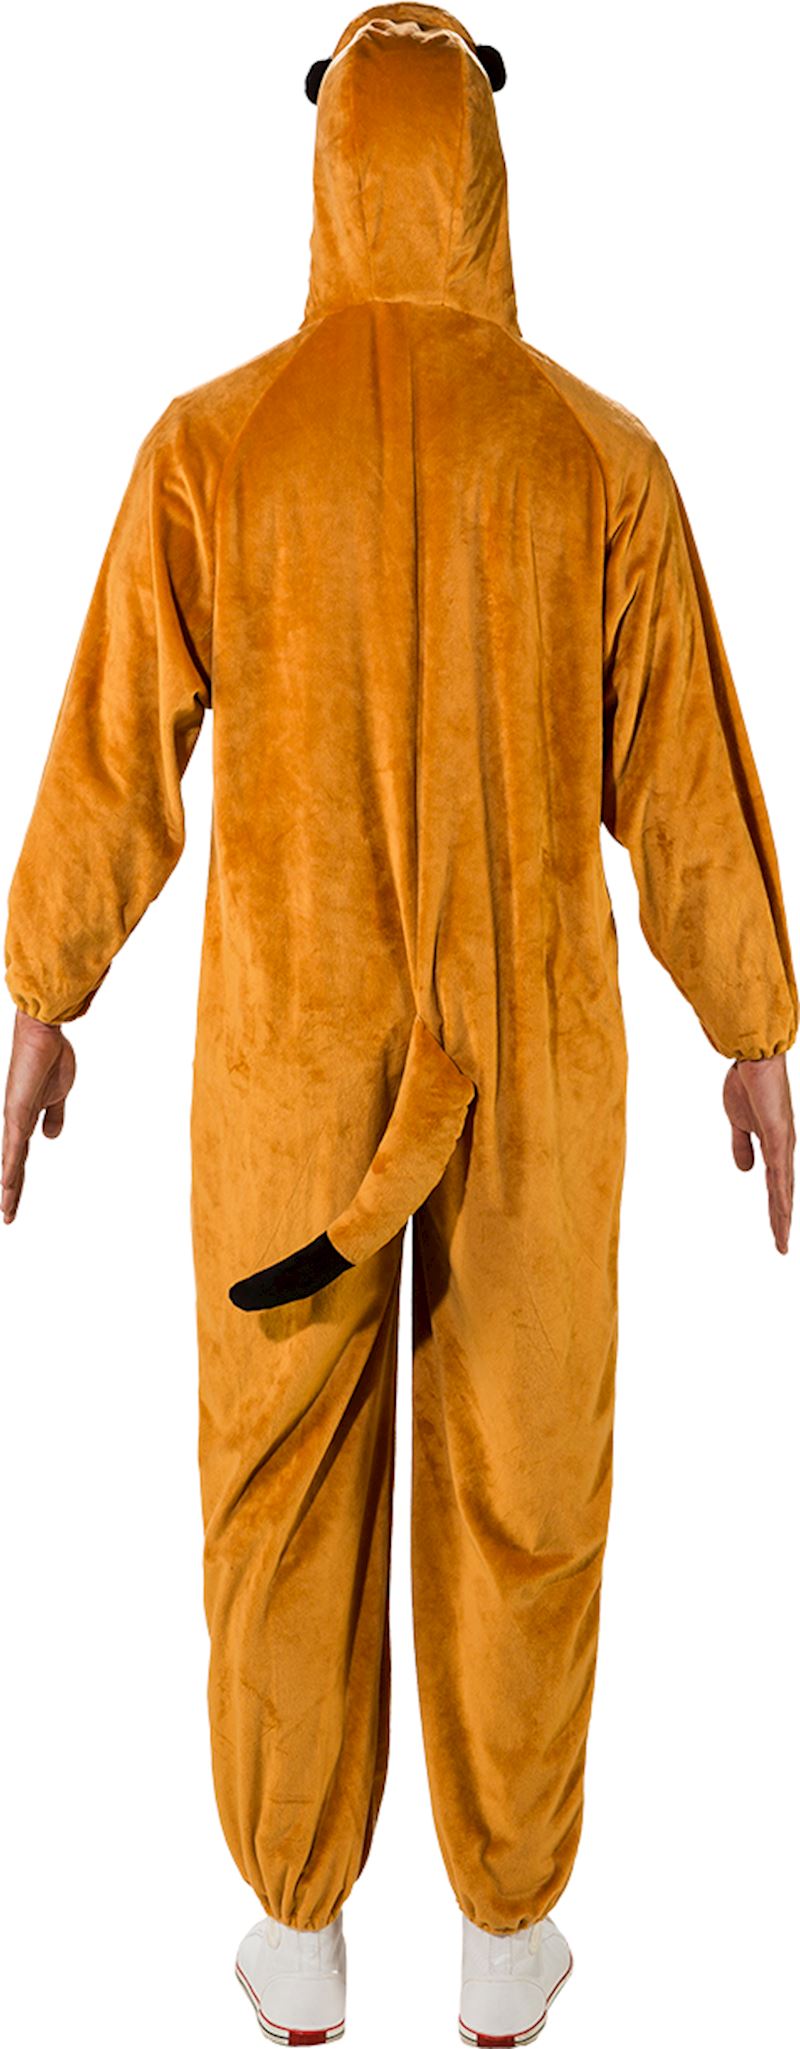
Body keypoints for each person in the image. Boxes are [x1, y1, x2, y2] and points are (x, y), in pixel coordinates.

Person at [2, 7, 796, 2044]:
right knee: (529, 1466)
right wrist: (754, 1026)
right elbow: (686, 784)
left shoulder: (215, 443)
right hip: (533, 1060)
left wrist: (41, 990)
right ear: (484, 175)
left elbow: (112, 755)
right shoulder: (598, 456)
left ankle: (295, 1935)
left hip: (294, 1057)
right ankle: (509, 1939)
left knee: (278, 1473)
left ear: (327, 167)